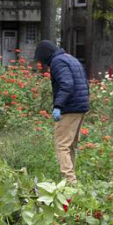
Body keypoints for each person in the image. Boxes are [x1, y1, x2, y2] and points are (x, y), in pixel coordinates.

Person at [34, 40, 90, 184]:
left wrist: (58, 105)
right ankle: (71, 181)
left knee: (62, 145)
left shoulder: (57, 62)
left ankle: (70, 182)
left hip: (69, 108)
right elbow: (84, 81)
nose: (44, 65)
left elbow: (67, 84)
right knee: (70, 145)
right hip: (81, 106)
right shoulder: (70, 58)